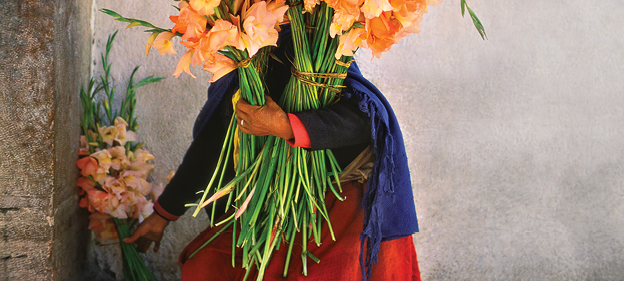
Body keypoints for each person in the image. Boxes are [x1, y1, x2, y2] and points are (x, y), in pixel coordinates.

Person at [126, 30, 421, 280]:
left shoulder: (321, 54)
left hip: (333, 205)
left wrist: (286, 126)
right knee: (207, 265)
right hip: (263, 207)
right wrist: (164, 214)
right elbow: (212, 144)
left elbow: (366, 120)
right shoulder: (239, 67)